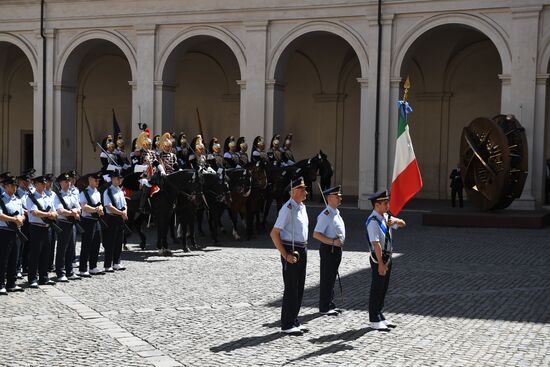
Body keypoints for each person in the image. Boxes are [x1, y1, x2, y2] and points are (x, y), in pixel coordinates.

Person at [270, 177, 309, 336]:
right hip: (291, 249)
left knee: (299, 288)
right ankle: (286, 324)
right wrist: (285, 255)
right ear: (294, 192)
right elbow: (274, 234)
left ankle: (294, 320)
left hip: (302, 249)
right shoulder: (287, 208)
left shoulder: (302, 207)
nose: (306, 192)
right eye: (302, 189)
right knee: (291, 288)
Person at [365, 190, 406, 330]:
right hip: (379, 258)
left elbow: (403, 224)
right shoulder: (373, 221)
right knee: (377, 288)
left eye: (388, 202)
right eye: (385, 203)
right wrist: (381, 264)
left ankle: (379, 313)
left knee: (383, 288)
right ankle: (374, 318)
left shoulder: (386, 217)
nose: (388, 204)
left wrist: (396, 221)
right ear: (377, 205)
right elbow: (375, 243)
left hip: (387, 256)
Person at [313, 185, 345, 316]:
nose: (340, 198)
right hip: (329, 249)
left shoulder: (335, 212)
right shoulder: (326, 215)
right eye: (337, 196)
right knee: (327, 277)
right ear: (330, 198)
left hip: (336, 249)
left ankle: (330, 303)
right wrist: (333, 242)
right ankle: (324, 306)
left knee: (332, 277)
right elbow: (316, 234)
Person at [26, 175, 57, 288]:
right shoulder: (31, 197)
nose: (45, 185)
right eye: (42, 183)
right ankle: (32, 278)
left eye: (45, 183)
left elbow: (54, 212)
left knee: (46, 253)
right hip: (36, 227)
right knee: (35, 254)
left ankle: (44, 277)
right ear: (36, 185)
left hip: (47, 228)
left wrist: (52, 215)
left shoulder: (48, 197)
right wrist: (48, 214)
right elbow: (34, 212)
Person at [53, 173, 82, 282]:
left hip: (72, 224)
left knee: (71, 247)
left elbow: (79, 207)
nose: (68, 183)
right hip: (63, 223)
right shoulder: (58, 196)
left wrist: (76, 211)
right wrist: (72, 212)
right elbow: (60, 211)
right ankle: (60, 272)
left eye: (69, 181)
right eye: (66, 181)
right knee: (62, 248)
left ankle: (70, 271)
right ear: (60, 183)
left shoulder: (72, 194)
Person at [0, 175, 26, 294]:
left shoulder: (18, 199)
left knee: (14, 258)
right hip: (4, 232)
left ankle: (12, 283)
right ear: (6, 186)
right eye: (11, 185)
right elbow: (0, 215)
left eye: (15, 185)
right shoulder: (1, 199)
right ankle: (1, 284)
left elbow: (23, 214)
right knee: (3, 259)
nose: (14, 187)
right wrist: (14, 219)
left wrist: (21, 218)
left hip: (16, 232)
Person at [79, 172, 105, 276]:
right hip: (87, 221)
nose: (97, 182)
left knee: (96, 244)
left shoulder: (97, 192)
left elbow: (100, 204)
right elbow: (84, 206)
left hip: (96, 220)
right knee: (86, 245)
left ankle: (93, 267)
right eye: (96, 180)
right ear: (90, 180)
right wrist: (95, 209)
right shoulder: (84, 193)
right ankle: (82, 269)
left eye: (98, 180)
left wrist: (101, 209)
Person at [102, 171, 128, 272]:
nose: (120, 180)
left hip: (120, 219)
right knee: (110, 242)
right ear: (113, 179)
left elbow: (125, 204)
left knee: (119, 241)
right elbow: (109, 206)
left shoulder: (120, 191)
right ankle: (107, 265)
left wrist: (125, 211)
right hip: (112, 218)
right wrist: (121, 213)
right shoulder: (108, 191)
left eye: (121, 178)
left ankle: (117, 262)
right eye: (118, 178)